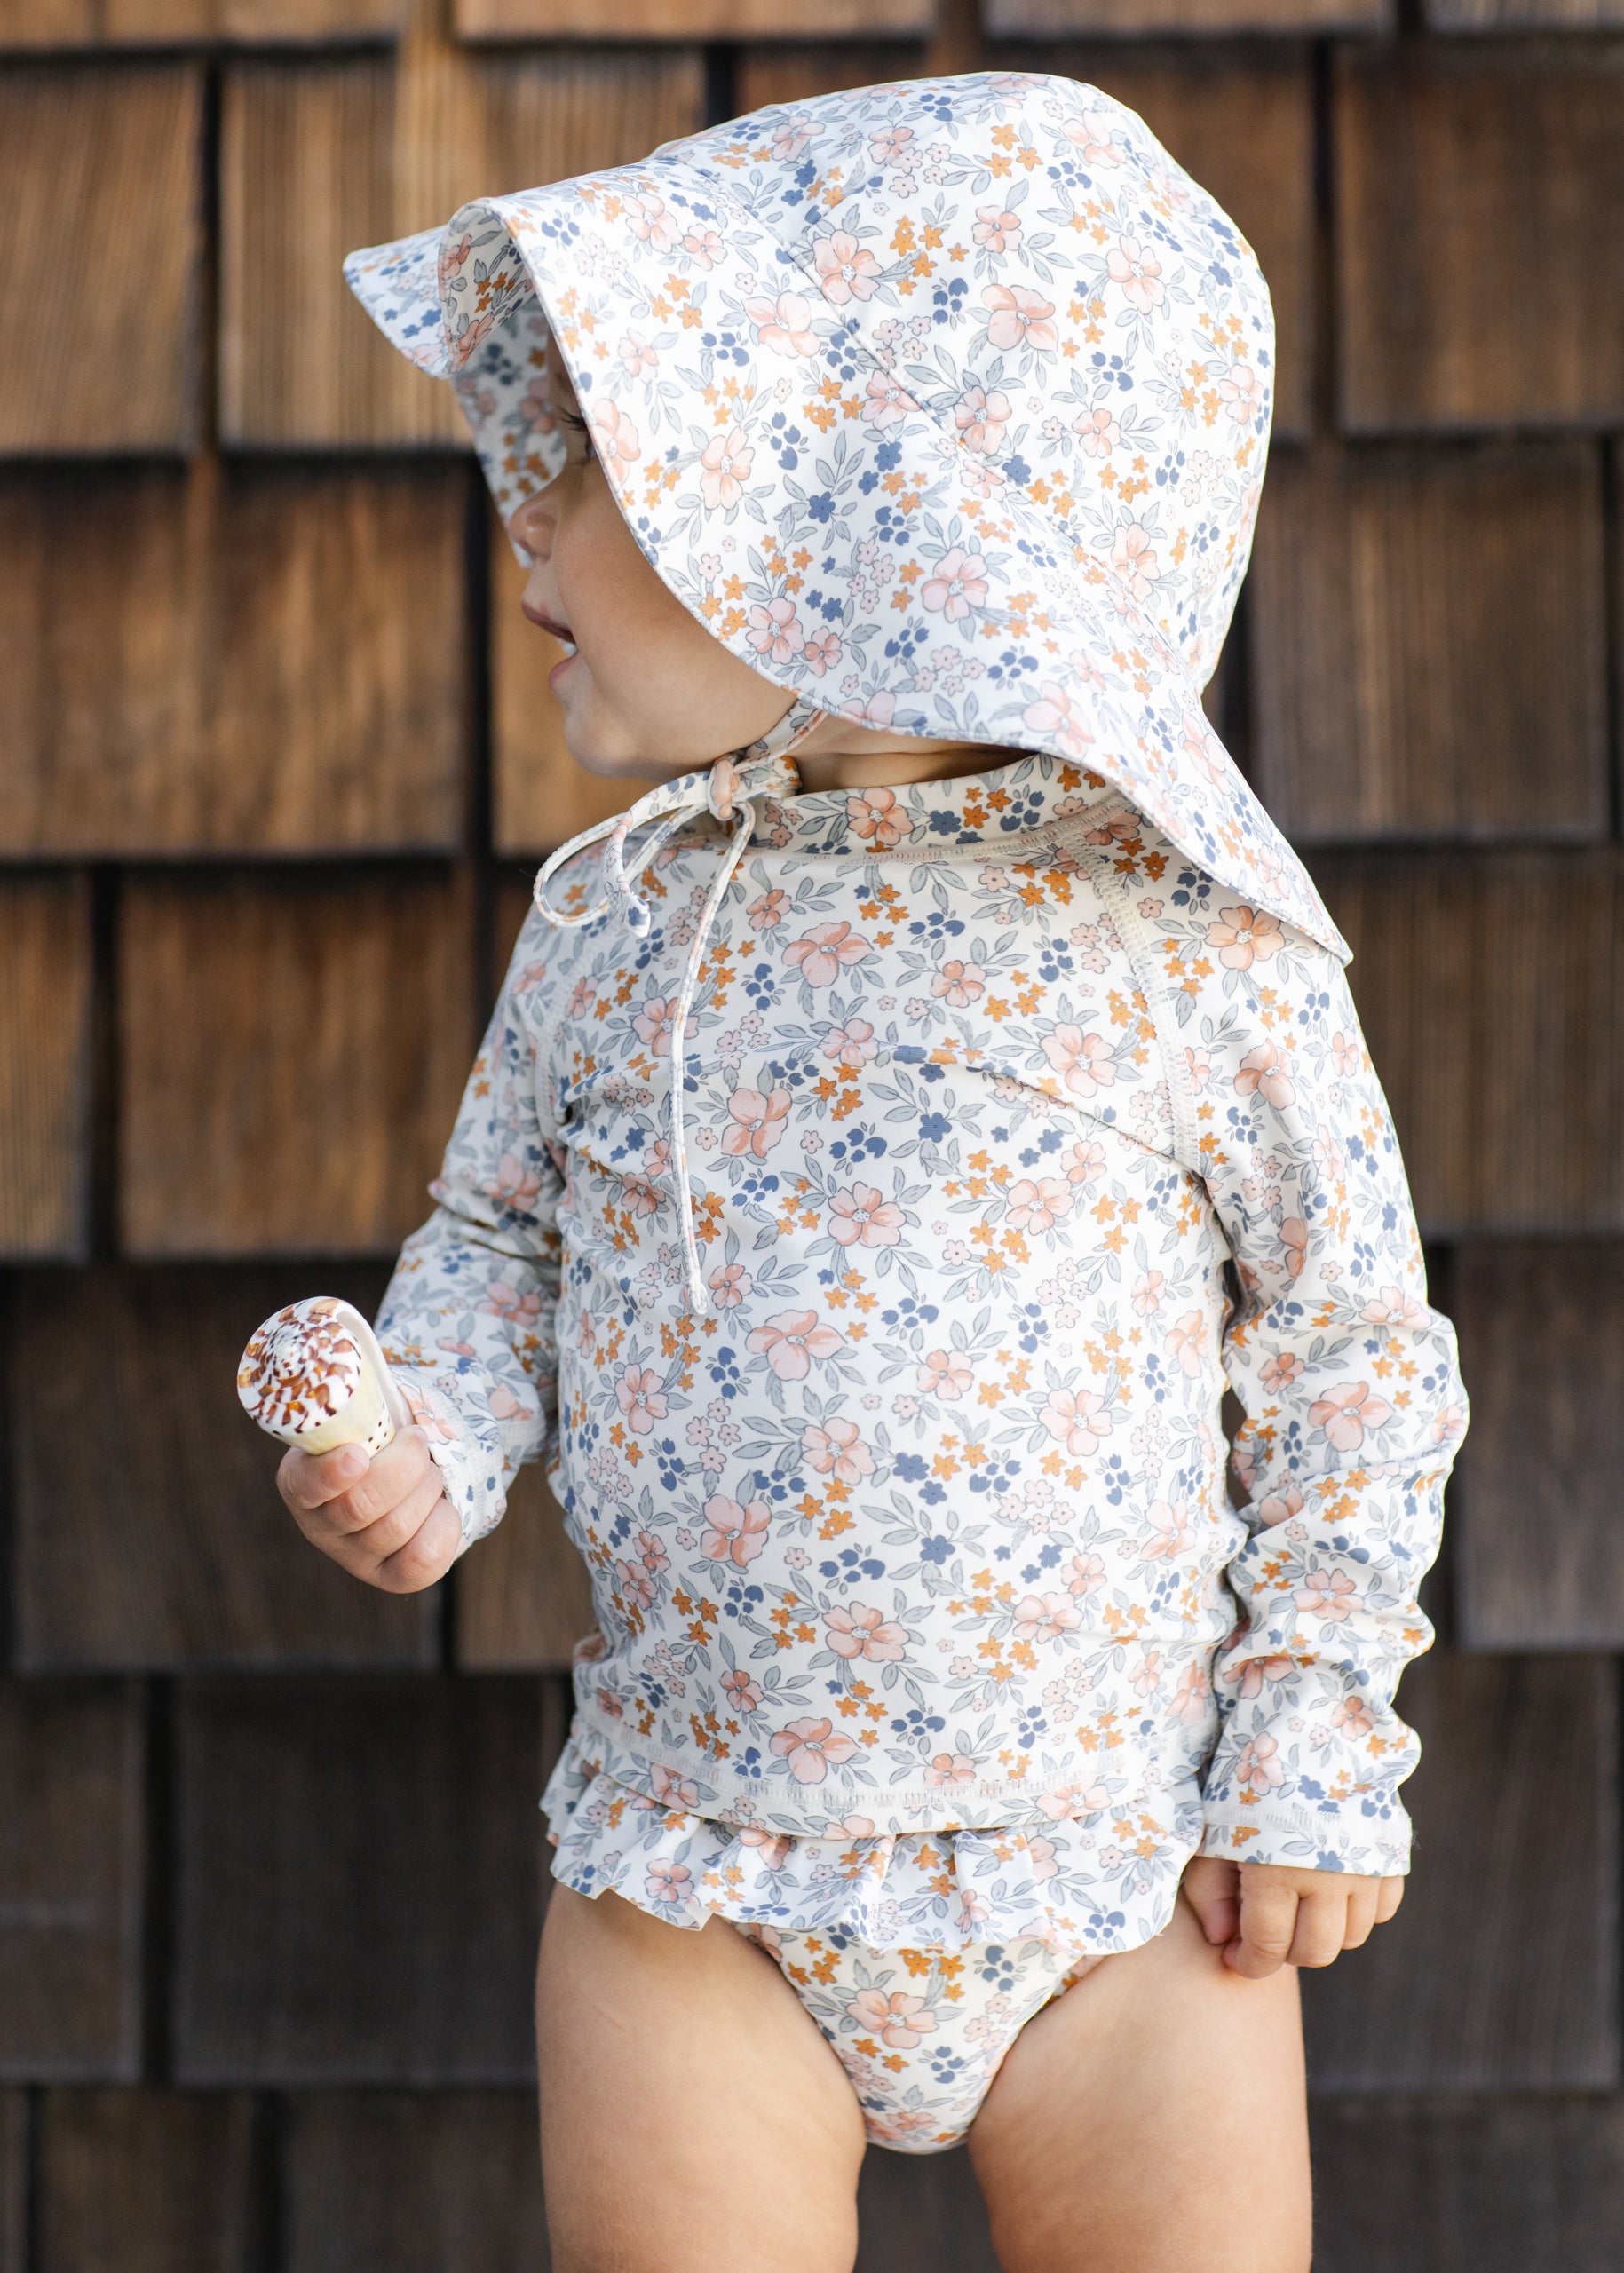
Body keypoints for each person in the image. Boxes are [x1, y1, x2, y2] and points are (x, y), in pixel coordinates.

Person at [276, 74, 1467, 2273]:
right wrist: (424, 1438)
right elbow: (506, 1243)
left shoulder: (1184, 943)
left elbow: (1348, 1347)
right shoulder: (620, 916)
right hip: (695, 1884)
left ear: (858, 527)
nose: (522, 520)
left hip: (1123, 1889)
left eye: (606, 459)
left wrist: (1316, 1721)